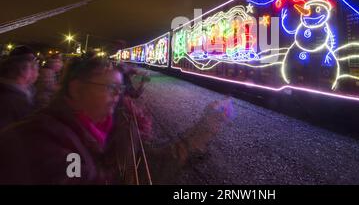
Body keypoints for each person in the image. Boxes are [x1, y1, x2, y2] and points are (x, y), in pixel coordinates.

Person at [0, 57, 231, 184]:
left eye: (120, 88)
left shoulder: (98, 128)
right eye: (111, 88)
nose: (119, 96)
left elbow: (141, 165)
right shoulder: (50, 143)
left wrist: (203, 131)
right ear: (76, 88)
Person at [0, 54, 39, 130]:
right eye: (33, 68)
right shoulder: (9, 99)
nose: (37, 73)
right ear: (22, 72)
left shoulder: (27, 91)